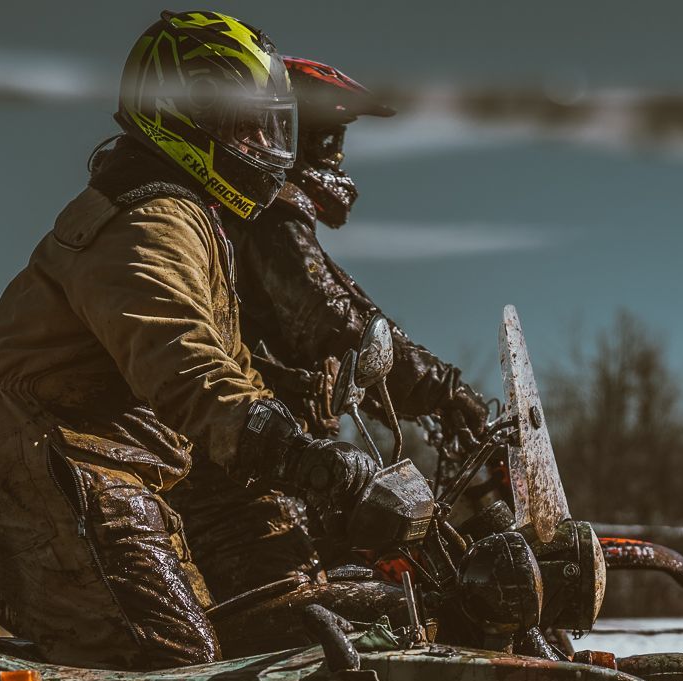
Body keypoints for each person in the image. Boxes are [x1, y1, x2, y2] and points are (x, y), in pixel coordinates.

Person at [0, 11, 414, 669]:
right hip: (65, 475)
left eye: (269, 123)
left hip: (112, 475)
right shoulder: (148, 218)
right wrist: (311, 462)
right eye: (244, 121)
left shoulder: (191, 218)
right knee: (178, 675)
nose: (262, 142)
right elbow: (188, 370)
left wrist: (302, 468)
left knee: (247, 645)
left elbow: (235, 375)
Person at [176, 56, 494, 600]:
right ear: (283, 134)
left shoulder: (263, 218)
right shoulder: (269, 218)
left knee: (363, 585)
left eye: (337, 140)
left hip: (285, 464)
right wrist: (442, 389)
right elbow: (330, 321)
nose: (335, 156)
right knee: (303, 608)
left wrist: (422, 398)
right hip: (249, 474)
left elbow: (347, 346)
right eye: (323, 138)